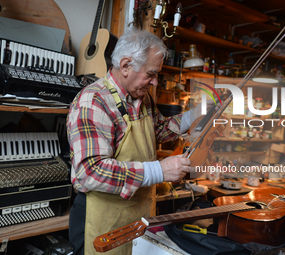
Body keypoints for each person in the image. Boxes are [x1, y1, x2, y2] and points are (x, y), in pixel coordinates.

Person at [67, 27, 213, 255]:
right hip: (101, 217)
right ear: (125, 66)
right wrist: (158, 171)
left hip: (138, 213)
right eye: (151, 74)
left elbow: (160, 131)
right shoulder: (94, 101)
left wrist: (197, 114)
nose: (155, 83)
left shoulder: (142, 99)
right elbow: (91, 171)